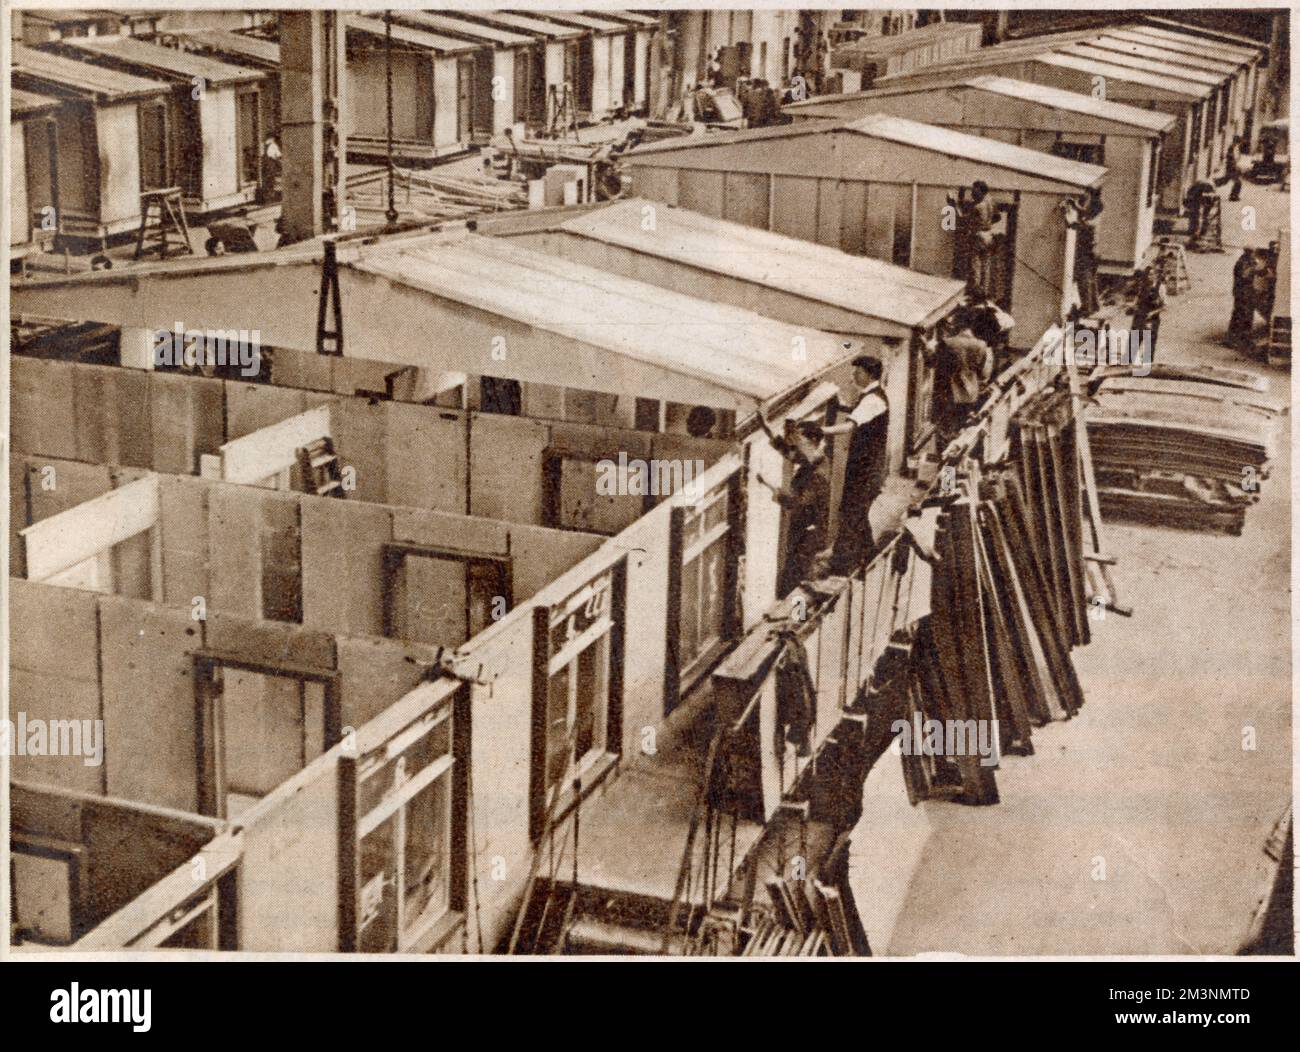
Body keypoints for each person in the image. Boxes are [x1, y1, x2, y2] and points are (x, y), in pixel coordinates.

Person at [821, 356, 889, 573]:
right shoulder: (870, 396)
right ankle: (868, 555)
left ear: (869, 374)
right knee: (856, 512)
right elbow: (855, 411)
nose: (853, 376)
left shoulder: (873, 400)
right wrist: (840, 405)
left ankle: (843, 562)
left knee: (853, 511)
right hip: (864, 466)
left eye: (857, 372)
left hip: (866, 469)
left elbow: (850, 426)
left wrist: (820, 431)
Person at [758, 416, 832, 596]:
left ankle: (799, 619)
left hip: (809, 535)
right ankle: (796, 615)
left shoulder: (818, 472)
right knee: (796, 576)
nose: (797, 445)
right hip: (804, 530)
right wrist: (766, 429)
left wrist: (769, 486)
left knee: (800, 580)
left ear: (814, 441)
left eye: (801, 441)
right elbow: (788, 452)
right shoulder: (813, 462)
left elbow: (797, 503)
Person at [931, 320, 994, 451]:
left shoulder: (947, 343)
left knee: (947, 431)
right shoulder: (981, 345)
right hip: (971, 392)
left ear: (956, 328)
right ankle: (957, 462)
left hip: (950, 391)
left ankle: (946, 463)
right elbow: (983, 372)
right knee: (963, 429)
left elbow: (937, 366)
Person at [951, 181, 997, 294]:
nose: (972, 193)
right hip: (989, 235)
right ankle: (984, 291)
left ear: (980, 191)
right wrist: (987, 223)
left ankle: (976, 292)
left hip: (978, 236)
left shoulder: (977, 207)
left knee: (975, 264)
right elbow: (997, 217)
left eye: (974, 190)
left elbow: (962, 218)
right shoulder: (990, 201)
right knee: (986, 265)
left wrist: (954, 204)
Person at [1066, 190, 1103, 316]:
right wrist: (1075, 206)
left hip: (1087, 254)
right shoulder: (1096, 215)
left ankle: (1087, 307)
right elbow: (1084, 214)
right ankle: (1095, 305)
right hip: (1093, 253)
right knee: (1092, 280)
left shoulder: (1091, 222)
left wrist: (1070, 222)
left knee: (1084, 280)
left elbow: (1082, 225)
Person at [1129, 266, 1167, 369]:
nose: (1150, 277)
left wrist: (1152, 313)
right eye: (1148, 274)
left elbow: (1164, 307)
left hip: (1151, 319)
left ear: (1156, 276)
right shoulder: (1143, 286)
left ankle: (1146, 367)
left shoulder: (1160, 288)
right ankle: (1130, 365)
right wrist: (1133, 306)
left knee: (1149, 344)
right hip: (1139, 316)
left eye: (1152, 274)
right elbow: (1137, 299)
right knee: (1133, 341)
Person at [1228, 247, 1258, 347]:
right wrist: (1254, 268)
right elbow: (1244, 275)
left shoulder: (1248, 261)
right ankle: (1236, 340)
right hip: (1242, 293)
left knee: (1246, 315)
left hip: (1246, 293)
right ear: (1249, 253)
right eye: (1253, 253)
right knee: (1240, 315)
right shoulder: (1242, 262)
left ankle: (1242, 339)